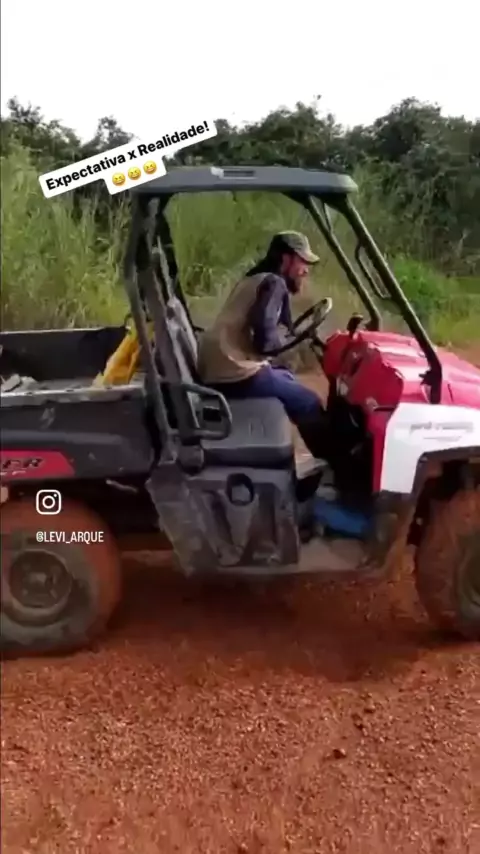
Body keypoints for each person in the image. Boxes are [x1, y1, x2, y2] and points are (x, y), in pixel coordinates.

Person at [197, 231, 328, 459]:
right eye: (302, 262)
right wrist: (287, 342)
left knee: (285, 375)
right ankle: (332, 459)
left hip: (222, 364)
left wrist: (285, 342)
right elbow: (264, 339)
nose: (306, 270)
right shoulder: (274, 283)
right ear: (286, 259)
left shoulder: (255, 278)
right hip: (233, 372)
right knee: (309, 403)